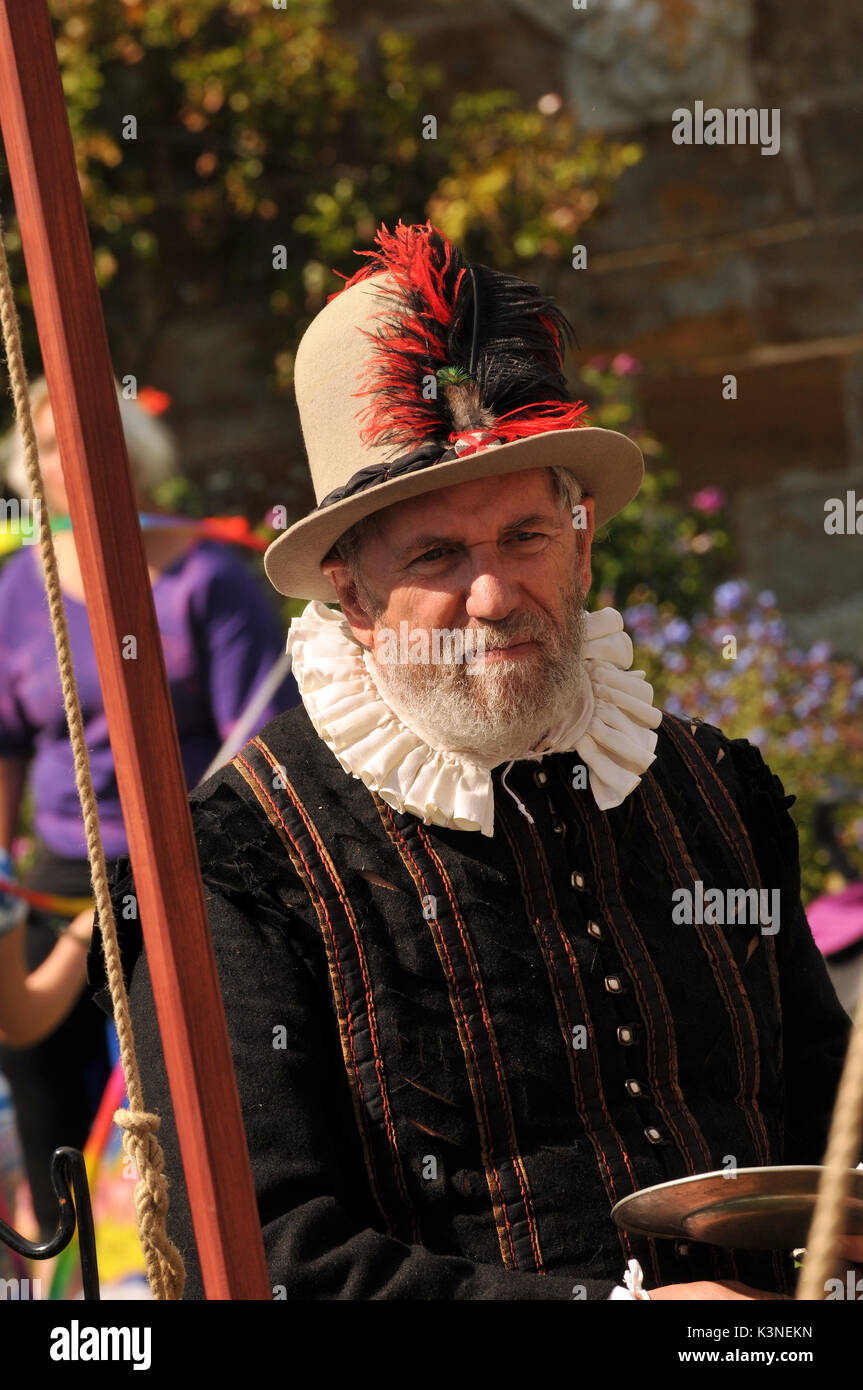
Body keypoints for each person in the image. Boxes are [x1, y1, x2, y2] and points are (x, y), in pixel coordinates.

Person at [91, 221, 857, 1300]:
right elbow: (268, 1262)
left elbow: (830, 1137)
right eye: (438, 556)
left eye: (524, 539)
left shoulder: (713, 796)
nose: (492, 597)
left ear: (580, 540)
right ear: (349, 593)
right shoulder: (235, 872)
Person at [0, 377, 299, 1237]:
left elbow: (264, 744)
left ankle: (221, 1245)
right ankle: (72, 1257)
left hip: (192, 860)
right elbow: (6, 750)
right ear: (31, 471)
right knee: (33, 1055)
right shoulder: (20, 594)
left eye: (98, 436)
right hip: (65, 869)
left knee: (203, 1076)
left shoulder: (209, 577)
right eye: (51, 445)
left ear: (137, 454)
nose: (76, 459)